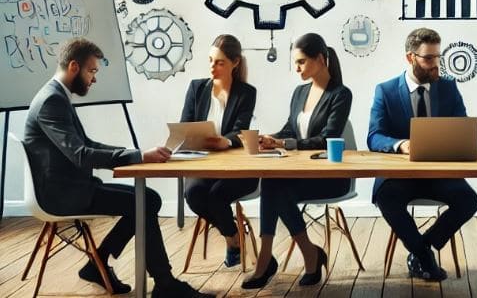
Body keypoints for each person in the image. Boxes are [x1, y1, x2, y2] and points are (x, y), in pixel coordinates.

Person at [23, 38, 211, 298]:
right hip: (62, 195)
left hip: (71, 187)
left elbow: (85, 144)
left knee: (149, 199)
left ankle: (97, 264)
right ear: (74, 66)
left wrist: (136, 154)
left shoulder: (55, 95)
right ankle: (164, 284)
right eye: (92, 71)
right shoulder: (51, 101)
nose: (94, 79)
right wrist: (138, 156)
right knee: (145, 201)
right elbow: (80, 155)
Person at [367, 27, 477, 282]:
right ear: (410, 58)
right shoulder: (385, 90)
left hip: (439, 173)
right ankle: (426, 258)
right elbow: (374, 136)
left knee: (469, 200)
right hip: (400, 175)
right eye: (428, 58)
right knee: (386, 198)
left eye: (438, 57)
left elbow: (462, 128)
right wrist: (401, 144)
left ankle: (421, 250)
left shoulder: (448, 88)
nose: (435, 64)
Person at [242, 33, 351, 290]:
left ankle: (291, 257)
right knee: (271, 184)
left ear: (321, 59)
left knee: (275, 188)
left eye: (301, 61)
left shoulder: (340, 94)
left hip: (330, 177)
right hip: (300, 174)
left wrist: (284, 144)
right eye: (295, 62)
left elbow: (327, 138)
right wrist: (272, 138)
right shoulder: (300, 92)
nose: (297, 67)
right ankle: (281, 256)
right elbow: (291, 130)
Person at [180, 34, 258, 268]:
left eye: (220, 62)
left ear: (235, 63)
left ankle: (232, 241)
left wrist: (227, 141)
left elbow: (240, 131)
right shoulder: (197, 88)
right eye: (211, 60)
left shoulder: (246, 92)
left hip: (238, 167)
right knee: (193, 194)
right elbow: (185, 125)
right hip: (204, 163)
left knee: (216, 196)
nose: (213, 66)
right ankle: (234, 238)